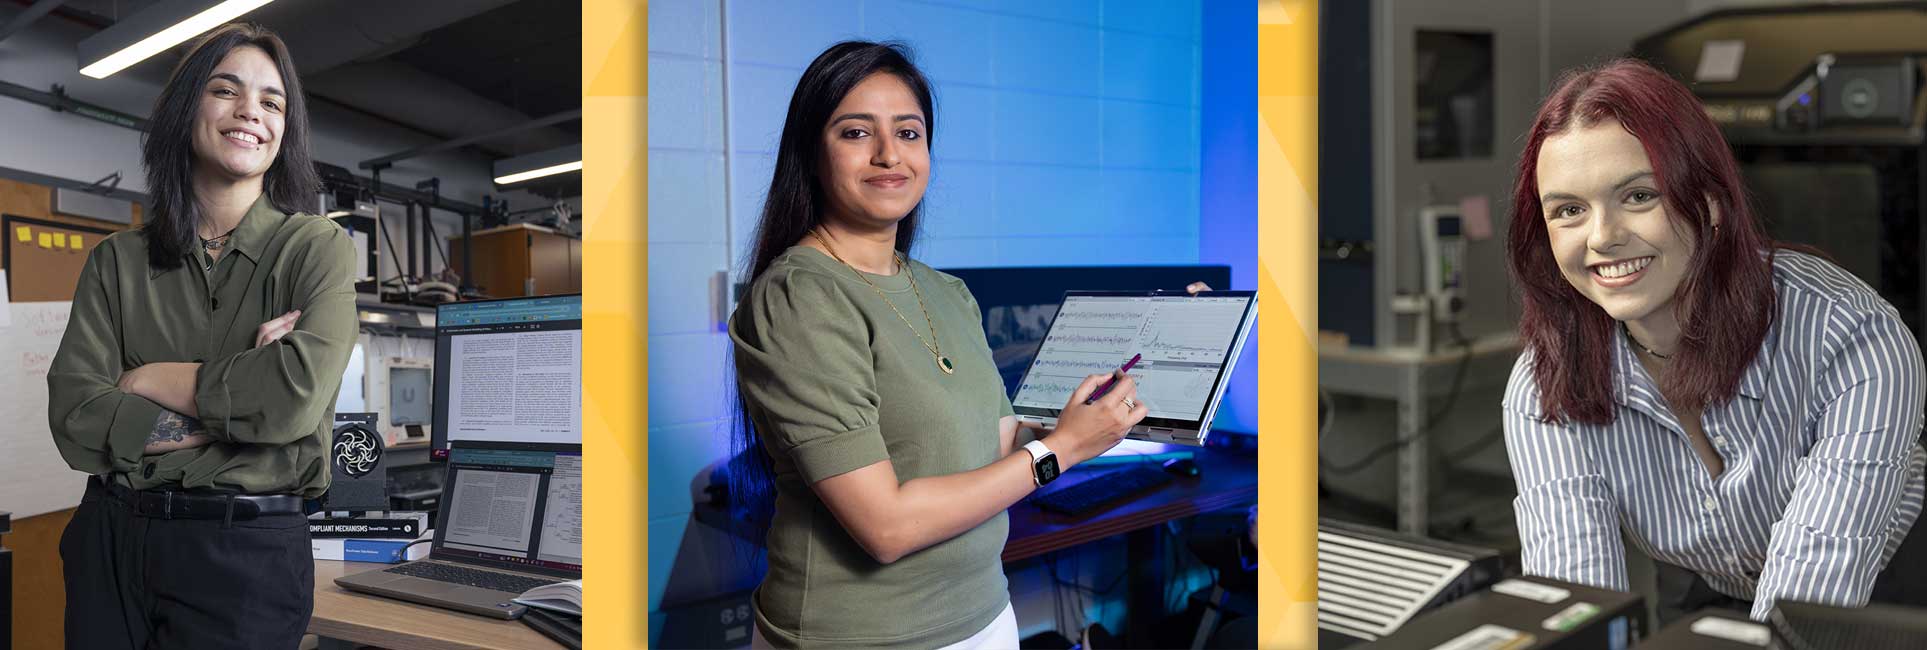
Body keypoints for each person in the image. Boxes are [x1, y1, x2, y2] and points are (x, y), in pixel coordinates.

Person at [727, 41, 1159, 649]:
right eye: (856, 132)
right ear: (812, 152)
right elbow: (885, 525)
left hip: (983, 615)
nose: (888, 155)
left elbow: (998, 441)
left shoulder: (946, 292)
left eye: (908, 132)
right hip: (861, 637)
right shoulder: (800, 295)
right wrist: (1060, 451)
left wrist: (1088, 421)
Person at [1502, 58, 1927, 624]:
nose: (1602, 238)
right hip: (1708, 582)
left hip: (1881, 579)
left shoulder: (1850, 339)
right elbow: (1579, 601)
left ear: (1710, 203)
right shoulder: (1546, 381)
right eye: (1570, 210)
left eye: (1638, 196)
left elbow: (1809, 592)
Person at [46, 23, 355, 649]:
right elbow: (75, 414)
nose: (251, 112)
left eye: (272, 102)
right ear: (188, 106)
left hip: (244, 557)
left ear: (283, 132)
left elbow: (292, 397)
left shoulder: (316, 249)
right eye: (226, 90)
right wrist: (244, 408)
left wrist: (147, 380)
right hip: (110, 541)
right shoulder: (117, 260)